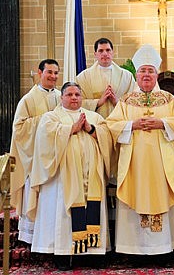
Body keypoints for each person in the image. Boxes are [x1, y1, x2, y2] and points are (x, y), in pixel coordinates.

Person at [106, 44, 174, 256]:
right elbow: (112, 124)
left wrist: (161, 124)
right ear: (136, 73)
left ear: (157, 74)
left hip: (162, 162)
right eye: (142, 71)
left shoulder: (170, 100)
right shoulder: (125, 101)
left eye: (150, 71)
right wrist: (131, 125)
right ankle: (133, 249)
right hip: (135, 164)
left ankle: (165, 248)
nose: (146, 75)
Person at [28, 82, 112, 270]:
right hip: (62, 180)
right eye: (69, 94)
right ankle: (63, 255)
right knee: (64, 215)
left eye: (77, 94)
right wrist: (70, 129)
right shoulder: (51, 117)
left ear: (82, 97)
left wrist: (90, 129)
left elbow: (107, 137)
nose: (74, 98)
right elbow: (44, 139)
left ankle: (91, 255)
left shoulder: (94, 117)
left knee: (92, 209)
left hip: (91, 178)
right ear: (62, 97)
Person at [10, 59, 61, 244]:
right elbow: (19, 128)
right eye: (49, 72)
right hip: (35, 158)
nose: (53, 76)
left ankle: (52, 236)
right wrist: (46, 120)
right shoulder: (28, 99)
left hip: (57, 157)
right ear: (40, 73)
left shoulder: (61, 96)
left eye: (56, 73)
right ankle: (31, 237)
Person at [76, 37, 135, 119]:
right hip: (94, 123)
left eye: (108, 50)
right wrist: (98, 102)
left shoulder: (127, 76)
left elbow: (134, 103)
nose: (105, 53)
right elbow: (77, 102)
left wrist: (116, 102)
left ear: (113, 52)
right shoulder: (83, 77)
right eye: (100, 51)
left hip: (120, 122)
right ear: (95, 54)